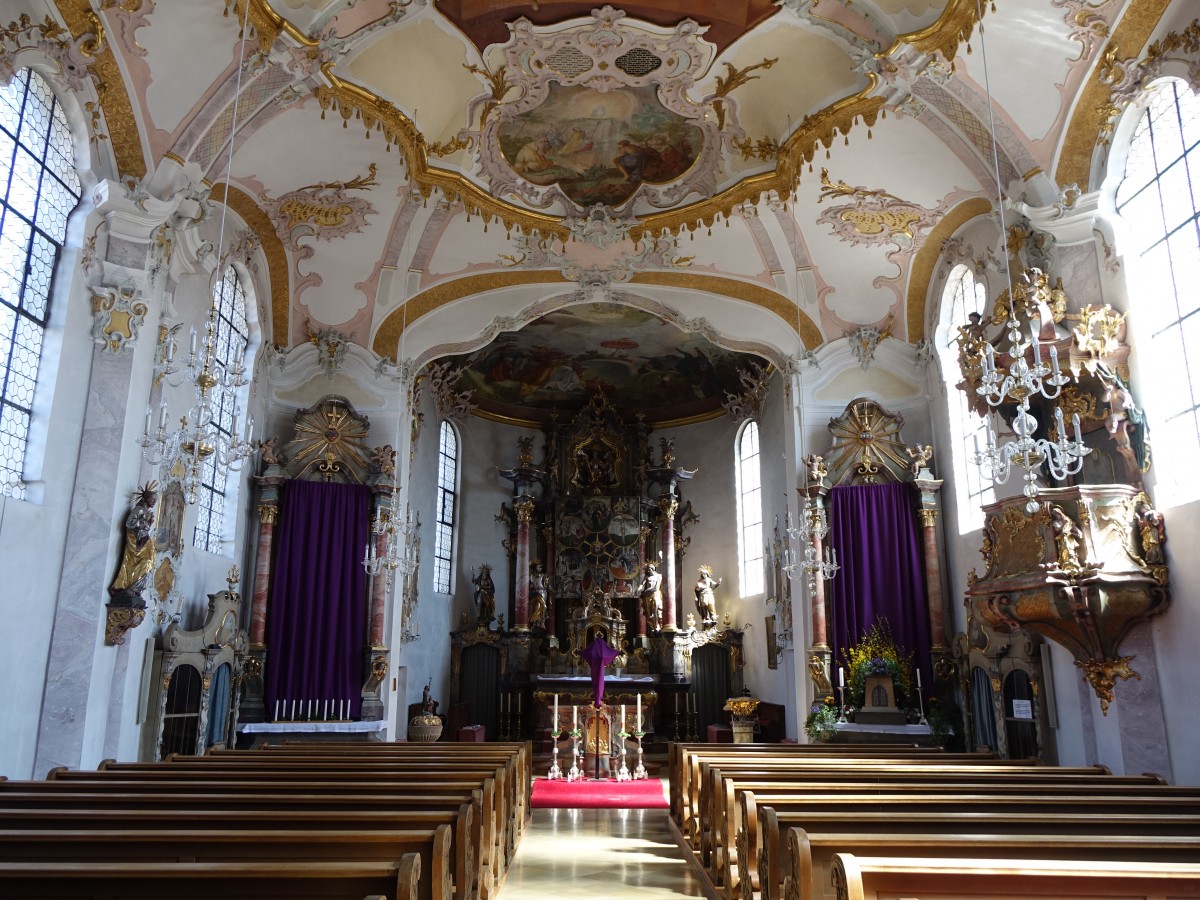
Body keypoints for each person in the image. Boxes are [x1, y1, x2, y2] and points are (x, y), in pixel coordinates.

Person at [108, 483, 158, 607]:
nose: (154, 503)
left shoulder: (146, 511)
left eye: (155, 501)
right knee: (144, 562)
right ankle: (128, 588)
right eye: (153, 500)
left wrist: (148, 523)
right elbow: (129, 523)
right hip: (136, 543)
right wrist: (144, 524)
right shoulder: (139, 509)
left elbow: (144, 526)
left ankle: (135, 590)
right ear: (146, 498)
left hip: (144, 540)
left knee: (149, 562)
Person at [640, 562, 663, 630]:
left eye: (648, 569)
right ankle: (654, 625)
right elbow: (642, 585)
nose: (647, 571)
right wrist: (638, 590)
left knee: (655, 608)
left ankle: (656, 625)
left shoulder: (659, 576)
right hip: (647, 596)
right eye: (647, 570)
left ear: (652, 569)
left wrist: (646, 591)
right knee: (648, 613)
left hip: (655, 594)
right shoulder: (647, 577)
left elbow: (656, 587)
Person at [529, 562, 548, 627]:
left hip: (542, 592)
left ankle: (537, 622)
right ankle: (540, 621)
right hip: (536, 593)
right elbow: (531, 584)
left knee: (538, 607)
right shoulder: (531, 576)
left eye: (540, 567)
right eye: (538, 567)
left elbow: (545, 585)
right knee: (542, 606)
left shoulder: (543, 575)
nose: (540, 568)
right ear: (535, 568)